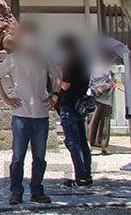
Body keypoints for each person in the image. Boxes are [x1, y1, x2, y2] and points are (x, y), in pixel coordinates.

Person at [0, 22, 59, 205]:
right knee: (18, 156)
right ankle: (16, 191)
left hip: (41, 114)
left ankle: (37, 190)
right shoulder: (13, 59)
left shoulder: (45, 58)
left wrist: (55, 95)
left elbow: (58, 76)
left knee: (39, 156)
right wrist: (6, 98)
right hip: (21, 114)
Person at [57, 34, 92, 187]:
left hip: (69, 104)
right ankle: (86, 174)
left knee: (73, 143)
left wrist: (59, 74)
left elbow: (65, 85)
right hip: (80, 104)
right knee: (83, 142)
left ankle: (80, 175)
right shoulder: (84, 61)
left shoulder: (71, 63)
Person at [88, 47, 115, 156]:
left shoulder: (108, 69)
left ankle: (104, 146)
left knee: (105, 123)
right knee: (94, 121)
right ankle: (90, 143)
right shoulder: (95, 68)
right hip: (98, 97)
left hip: (106, 98)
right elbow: (91, 81)